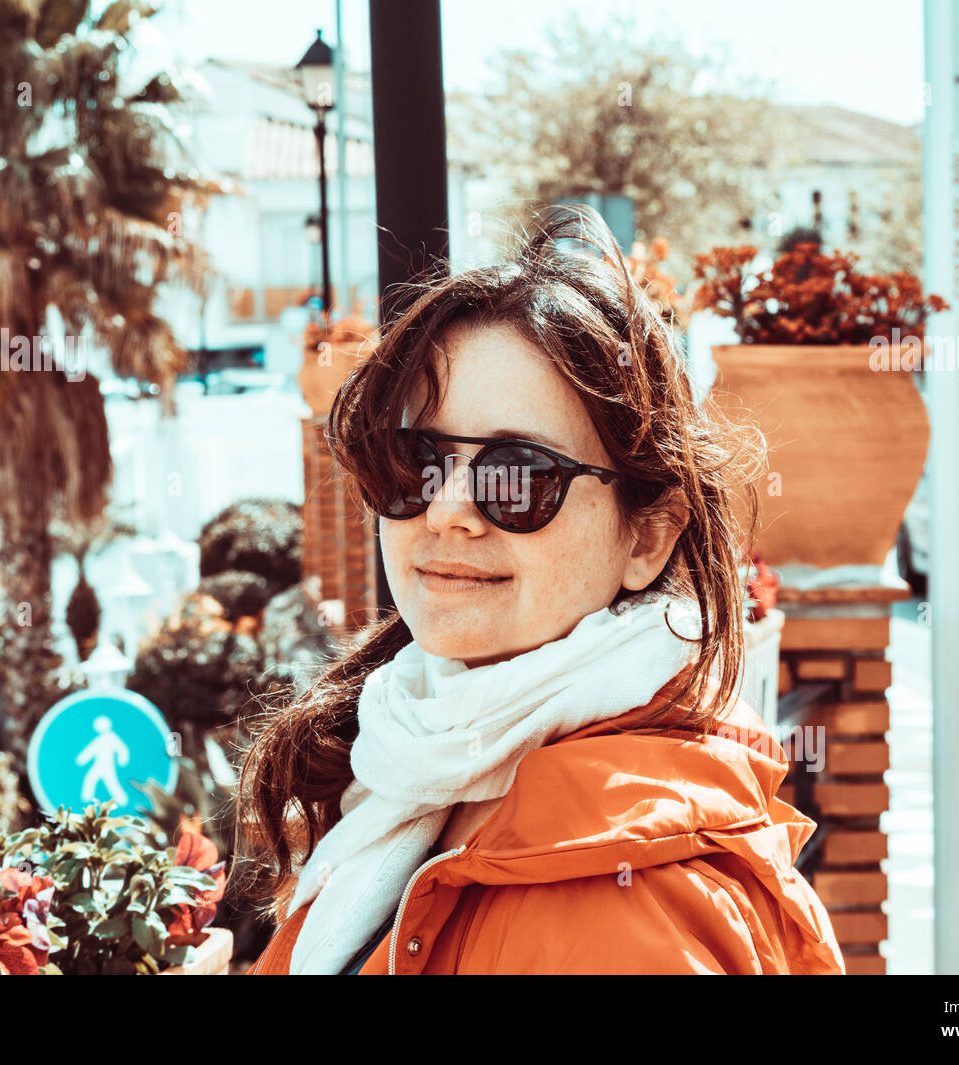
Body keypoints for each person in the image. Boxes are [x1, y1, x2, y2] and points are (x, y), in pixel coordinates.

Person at [234, 204, 845, 975]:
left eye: (518, 475)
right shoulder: (416, 760)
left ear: (648, 535)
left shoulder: (628, 903)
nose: (449, 508)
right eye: (416, 461)